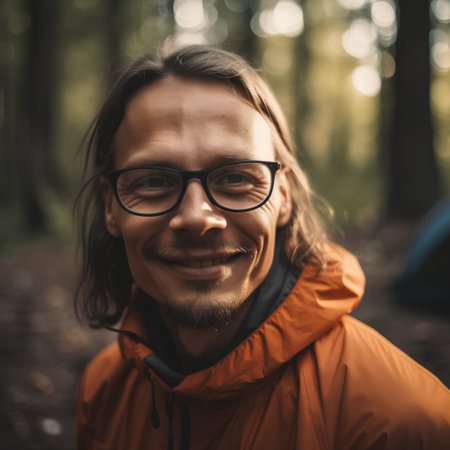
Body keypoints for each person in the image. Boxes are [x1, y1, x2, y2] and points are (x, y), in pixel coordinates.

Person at [75, 45, 449, 450]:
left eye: (236, 177)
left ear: (283, 197)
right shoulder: (103, 389)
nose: (199, 218)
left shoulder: (400, 421)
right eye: (153, 181)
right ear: (111, 205)